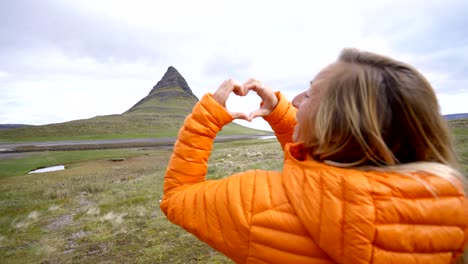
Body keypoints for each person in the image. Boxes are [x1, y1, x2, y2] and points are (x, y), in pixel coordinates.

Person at [160, 48, 468, 264]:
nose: (294, 99)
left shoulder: (258, 205)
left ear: (335, 123)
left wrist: (206, 117)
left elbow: (177, 197)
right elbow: (323, 183)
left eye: (309, 94)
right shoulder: (444, 209)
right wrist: (285, 118)